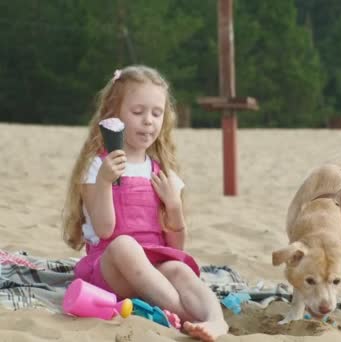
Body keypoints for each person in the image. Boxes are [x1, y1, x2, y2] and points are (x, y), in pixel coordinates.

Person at [62, 65, 228, 342]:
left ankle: (216, 321)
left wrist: (173, 206)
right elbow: (105, 230)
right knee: (124, 245)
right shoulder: (97, 166)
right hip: (112, 271)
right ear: (113, 115)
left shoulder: (161, 171)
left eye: (156, 113)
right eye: (138, 112)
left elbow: (175, 248)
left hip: (155, 271)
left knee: (180, 269)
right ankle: (181, 314)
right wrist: (104, 181)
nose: (148, 121)